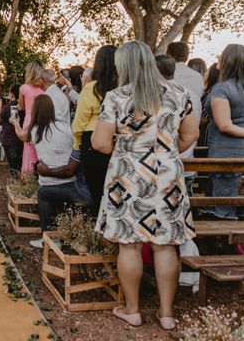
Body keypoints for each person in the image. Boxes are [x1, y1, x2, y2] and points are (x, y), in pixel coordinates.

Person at [92, 40, 198, 330]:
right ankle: (166, 314)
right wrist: (166, 151)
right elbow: (190, 135)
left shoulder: (117, 96)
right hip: (167, 177)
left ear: (123, 66)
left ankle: (133, 309)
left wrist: (127, 147)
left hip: (128, 177)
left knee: (129, 244)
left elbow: (100, 143)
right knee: (165, 247)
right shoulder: (179, 93)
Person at [11, 95, 89, 249]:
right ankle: (68, 233)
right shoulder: (67, 128)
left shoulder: (35, 131)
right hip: (74, 184)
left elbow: (21, 135)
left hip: (51, 185)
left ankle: (50, 238)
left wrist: (15, 123)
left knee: (43, 193)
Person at [204, 44, 244, 219]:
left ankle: (225, 243)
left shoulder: (222, 89)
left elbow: (224, 125)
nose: (218, 59)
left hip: (228, 151)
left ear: (228, 61)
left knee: (225, 203)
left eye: (221, 55)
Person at [71, 45, 118, 213]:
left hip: (92, 141)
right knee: (116, 191)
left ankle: (101, 228)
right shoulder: (123, 87)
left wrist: (77, 145)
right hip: (117, 140)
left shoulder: (92, 88)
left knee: (98, 191)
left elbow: (79, 123)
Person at [156, 54, 202, 195]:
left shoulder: (156, 95)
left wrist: (167, 151)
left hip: (158, 161)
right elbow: (192, 134)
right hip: (184, 158)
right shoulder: (191, 94)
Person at [18, 60, 45, 174]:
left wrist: (20, 107)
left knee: (28, 149)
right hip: (42, 119)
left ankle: (28, 176)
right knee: (42, 146)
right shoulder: (44, 88)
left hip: (29, 119)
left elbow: (22, 107)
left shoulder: (23, 88)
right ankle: (42, 173)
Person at [0, 84, 24, 176]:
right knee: (20, 165)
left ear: (12, 95)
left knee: (13, 167)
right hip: (21, 138)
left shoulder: (8, 106)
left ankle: (16, 185)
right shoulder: (23, 106)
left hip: (9, 140)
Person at [199, 62, 221, 147]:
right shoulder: (212, 91)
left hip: (204, 138)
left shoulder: (212, 92)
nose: (204, 75)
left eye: (206, 73)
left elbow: (204, 118)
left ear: (212, 75)